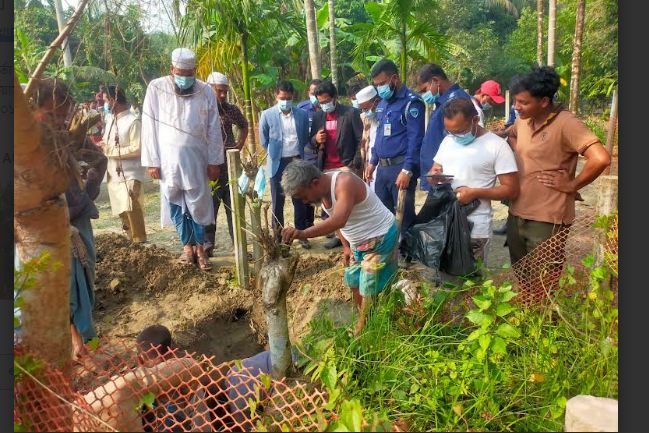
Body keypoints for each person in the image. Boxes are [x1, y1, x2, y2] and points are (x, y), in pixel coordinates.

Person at [506, 66, 610, 281]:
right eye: (516, 101)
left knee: (543, 281)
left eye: (523, 102)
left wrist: (573, 185)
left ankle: (543, 315)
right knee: (523, 276)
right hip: (517, 212)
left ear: (544, 101)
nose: (517, 107)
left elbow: (600, 158)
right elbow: (511, 135)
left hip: (547, 218)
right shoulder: (523, 121)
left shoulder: (567, 123)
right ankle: (528, 313)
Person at [28, 78, 108, 360]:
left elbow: (99, 160)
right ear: (34, 109)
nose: (59, 121)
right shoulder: (27, 143)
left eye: (63, 114)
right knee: (60, 288)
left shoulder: (73, 136)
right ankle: (76, 345)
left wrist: (88, 185)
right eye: (51, 114)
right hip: (43, 229)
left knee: (83, 280)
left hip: (78, 222)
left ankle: (82, 343)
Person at [281, 160, 398, 335]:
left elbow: (338, 220)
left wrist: (302, 233)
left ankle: (364, 330)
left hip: (380, 238)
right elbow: (338, 224)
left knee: (369, 286)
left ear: (314, 183)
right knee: (353, 280)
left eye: (303, 196)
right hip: (358, 244)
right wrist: (345, 247)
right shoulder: (322, 193)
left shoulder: (344, 183)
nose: (304, 202)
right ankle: (367, 318)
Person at [141, 47, 224, 271]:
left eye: (189, 74)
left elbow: (214, 127)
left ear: (195, 71)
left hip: (198, 160)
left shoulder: (206, 91)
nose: (185, 78)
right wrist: (152, 161)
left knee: (198, 204)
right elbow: (149, 125)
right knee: (175, 202)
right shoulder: (156, 88)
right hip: (168, 162)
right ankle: (187, 247)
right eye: (181, 73)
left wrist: (215, 161)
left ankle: (201, 248)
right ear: (171, 69)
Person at [428, 98, 519, 263]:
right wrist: (434, 176)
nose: (455, 136)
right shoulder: (449, 141)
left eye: (460, 131)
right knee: (446, 283)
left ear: (475, 120)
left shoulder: (496, 146)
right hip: (446, 222)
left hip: (476, 229)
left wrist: (475, 192)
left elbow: (511, 190)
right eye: (450, 131)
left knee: (472, 284)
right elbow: (435, 168)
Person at [364, 59, 425, 242]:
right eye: (377, 85)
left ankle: (407, 256)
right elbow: (380, 136)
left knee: (403, 216)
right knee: (383, 215)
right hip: (382, 170)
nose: (380, 87)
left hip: (400, 169)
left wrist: (407, 170)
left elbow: (416, 139)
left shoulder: (411, 103)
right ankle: (389, 254)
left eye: (382, 83)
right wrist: (372, 162)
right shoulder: (382, 103)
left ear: (395, 78)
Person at [307, 80, 363, 249]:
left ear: (335, 98)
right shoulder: (317, 117)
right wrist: (316, 139)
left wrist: (353, 164)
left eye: (326, 101)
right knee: (330, 207)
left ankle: (354, 238)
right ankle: (341, 239)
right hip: (326, 167)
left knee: (348, 206)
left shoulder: (350, 113)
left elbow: (360, 140)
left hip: (345, 167)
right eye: (321, 103)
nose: (324, 105)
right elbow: (310, 143)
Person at [259, 80, 311, 249]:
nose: (285, 101)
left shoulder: (302, 115)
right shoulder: (267, 115)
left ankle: (302, 234)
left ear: (293, 97)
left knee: (299, 200)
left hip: (296, 161)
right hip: (277, 163)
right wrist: (274, 153)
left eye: (288, 98)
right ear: (276, 96)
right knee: (277, 201)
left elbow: (304, 137)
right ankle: (277, 237)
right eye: (282, 98)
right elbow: (263, 140)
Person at [203, 71, 249, 256]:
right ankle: (207, 246)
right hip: (210, 169)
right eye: (219, 91)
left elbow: (244, 125)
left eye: (225, 92)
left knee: (234, 208)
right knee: (210, 209)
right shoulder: (202, 110)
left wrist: (239, 145)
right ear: (209, 89)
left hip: (230, 168)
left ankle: (239, 247)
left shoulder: (231, 110)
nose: (222, 95)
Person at [101, 85, 147, 244]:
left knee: (131, 206)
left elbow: (138, 148)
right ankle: (130, 240)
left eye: (106, 100)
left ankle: (139, 241)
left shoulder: (132, 121)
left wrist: (111, 151)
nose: (105, 104)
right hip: (114, 173)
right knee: (122, 209)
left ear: (113, 101)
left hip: (130, 173)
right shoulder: (110, 121)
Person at [415, 64, 472, 194]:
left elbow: (458, 141)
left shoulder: (456, 101)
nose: (424, 95)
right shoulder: (442, 102)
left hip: (448, 179)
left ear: (435, 81)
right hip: (438, 176)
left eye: (425, 90)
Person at [356, 85, 381, 192]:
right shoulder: (366, 119)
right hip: (370, 163)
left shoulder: (385, 117)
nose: (365, 112)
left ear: (376, 102)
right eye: (362, 109)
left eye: (366, 108)